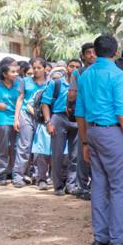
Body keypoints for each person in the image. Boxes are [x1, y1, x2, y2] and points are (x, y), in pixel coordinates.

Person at [75, 34, 123, 245]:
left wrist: (85, 141)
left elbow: (80, 113)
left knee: (99, 185)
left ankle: (101, 238)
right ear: (115, 52)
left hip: (93, 131)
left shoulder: (85, 75)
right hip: (111, 132)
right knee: (120, 187)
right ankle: (118, 240)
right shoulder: (117, 75)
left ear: (95, 51)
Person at [41, 63, 79, 195]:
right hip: (59, 118)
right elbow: (45, 103)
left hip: (77, 120)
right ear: (66, 68)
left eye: (77, 67)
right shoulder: (56, 83)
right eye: (71, 66)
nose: (74, 69)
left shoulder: (83, 85)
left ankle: (71, 185)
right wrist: (48, 122)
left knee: (75, 155)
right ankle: (58, 186)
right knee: (57, 154)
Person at [11, 56, 49, 186]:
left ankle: (40, 177)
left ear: (45, 69)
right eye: (34, 68)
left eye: (39, 68)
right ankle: (18, 176)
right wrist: (16, 119)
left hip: (41, 117)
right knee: (24, 145)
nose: (36, 70)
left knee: (40, 147)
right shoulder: (25, 81)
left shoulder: (50, 83)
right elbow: (20, 99)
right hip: (26, 115)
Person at [68, 42, 97, 199]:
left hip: (97, 117)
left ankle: (95, 185)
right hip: (84, 116)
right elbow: (72, 95)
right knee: (82, 150)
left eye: (94, 52)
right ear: (83, 55)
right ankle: (82, 185)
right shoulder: (78, 73)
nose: (91, 55)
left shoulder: (100, 71)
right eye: (88, 53)